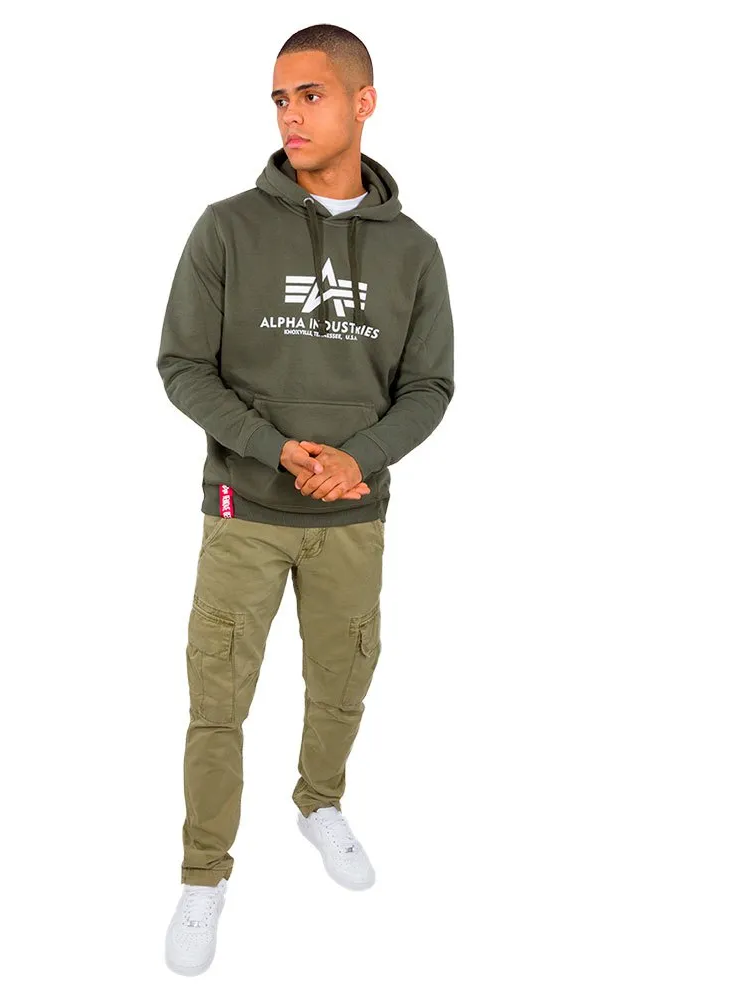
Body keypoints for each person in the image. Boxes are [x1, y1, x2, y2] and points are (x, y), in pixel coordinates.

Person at [156, 23, 455, 976]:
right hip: (243, 514)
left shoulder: (414, 251)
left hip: (353, 520)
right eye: (280, 98)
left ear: (364, 103)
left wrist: (357, 459)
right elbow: (183, 366)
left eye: (311, 94)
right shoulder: (226, 228)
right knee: (217, 702)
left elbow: (429, 387)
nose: (290, 113)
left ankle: (319, 802)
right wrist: (275, 448)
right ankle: (203, 875)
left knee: (342, 682)